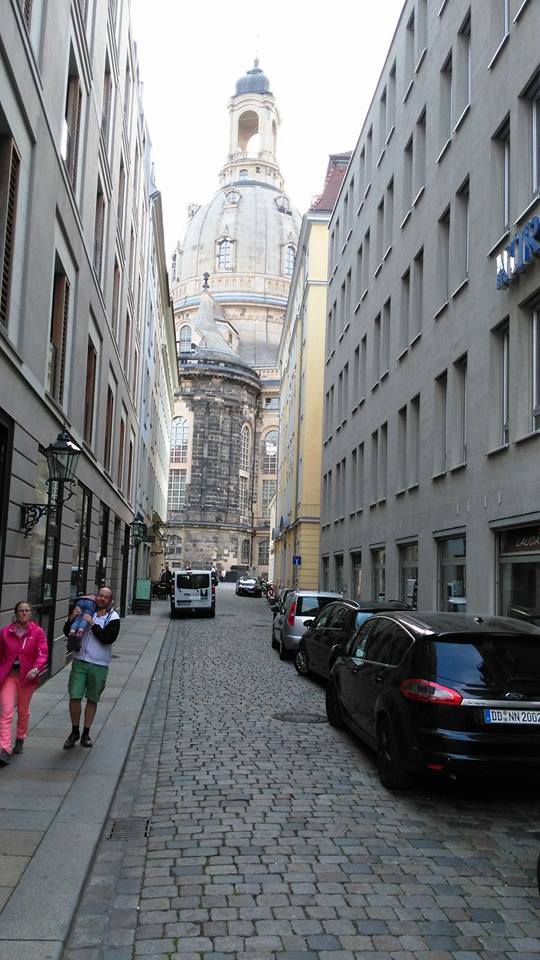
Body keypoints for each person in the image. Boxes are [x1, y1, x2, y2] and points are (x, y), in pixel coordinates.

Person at [62, 586, 120, 749]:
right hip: (80, 660)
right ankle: (74, 731)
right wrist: (72, 617)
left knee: (92, 699)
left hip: (99, 664)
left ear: (110, 600)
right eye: (100, 595)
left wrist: (92, 624)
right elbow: (67, 632)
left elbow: (108, 638)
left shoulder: (112, 616)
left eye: (105, 597)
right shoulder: (87, 609)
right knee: (74, 696)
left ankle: (86, 733)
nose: (101, 599)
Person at [0, 601, 48, 766]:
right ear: (16, 613)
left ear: (30, 614)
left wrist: (36, 668)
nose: (24, 613)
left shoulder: (38, 632)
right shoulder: (6, 632)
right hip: (9, 677)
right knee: (6, 711)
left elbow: (42, 653)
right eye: (21, 611)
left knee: (23, 710)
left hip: (27, 678)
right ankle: (4, 749)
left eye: (27, 610)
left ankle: (20, 737)